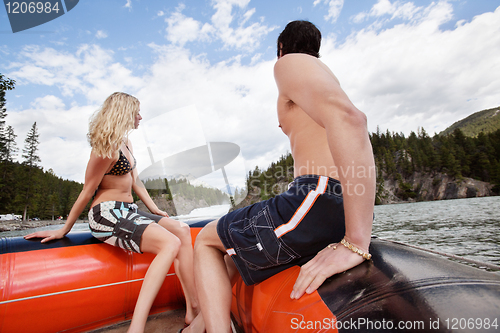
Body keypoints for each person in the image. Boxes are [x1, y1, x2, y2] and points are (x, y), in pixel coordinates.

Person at [182, 20, 376, 333]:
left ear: (281, 48)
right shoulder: (322, 81)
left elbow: (351, 119)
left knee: (206, 239)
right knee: (232, 250)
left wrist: (356, 242)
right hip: (332, 200)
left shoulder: (291, 64)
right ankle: (198, 327)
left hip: (315, 196)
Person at [24, 92, 199, 333]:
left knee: (181, 229)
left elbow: (136, 183)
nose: (140, 117)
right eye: (136, 112)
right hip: (106, 214)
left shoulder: (127, 143)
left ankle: (193, 307)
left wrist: (155, 209)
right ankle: (135, 329)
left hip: (129, 210)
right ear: (124, 113)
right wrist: (65, 229)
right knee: (169, 243)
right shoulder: (104, 148)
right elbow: (87, 191)